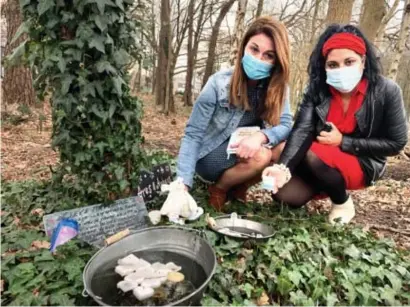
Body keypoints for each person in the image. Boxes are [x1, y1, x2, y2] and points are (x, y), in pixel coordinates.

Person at [263, 24, 408, 224]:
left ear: (363, 61)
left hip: (362, 160)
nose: (341, 69)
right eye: (333, 65)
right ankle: (322, 185)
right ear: (325, 66)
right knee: (285, 195)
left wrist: (344, 141)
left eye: (349, 61)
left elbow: (396, 142)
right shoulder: (317, 90)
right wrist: (282, 168)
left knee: (308, 152)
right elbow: (303, 129)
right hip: (321, 159)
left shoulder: (387, 91)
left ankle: (342, 201)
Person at [176, 16, 293, 211]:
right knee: (261, 156)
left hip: (246, 150)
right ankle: (219, 188)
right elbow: (193, 134)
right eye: (254, 49)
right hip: (211, 155)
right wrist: (182, 185)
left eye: (268, 55)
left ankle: (239, 186)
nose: (258, 59)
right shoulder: (218, 83)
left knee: (283, 149)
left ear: (277, 61)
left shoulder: (278, 87)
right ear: (244, 47)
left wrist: (261, 136)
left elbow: (286, 124)